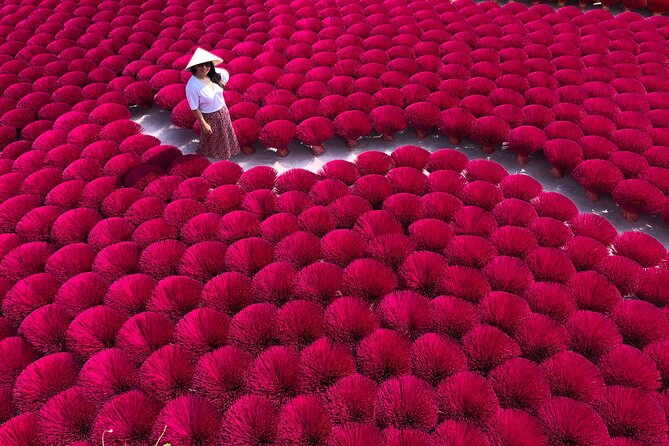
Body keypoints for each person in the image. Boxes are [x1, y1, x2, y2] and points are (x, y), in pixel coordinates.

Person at [184, 48, 242, 159]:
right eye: (201, 65)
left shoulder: (213, 74)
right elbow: (194, 107)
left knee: (226, 135)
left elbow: (225, 74)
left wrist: (222, 84)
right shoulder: (192, 86)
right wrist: (204, 123)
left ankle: (226, 155)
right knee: (212, 138)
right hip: (210, 116)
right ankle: (218, 157)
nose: (205, 67)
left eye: (207, 64)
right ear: (195, 66)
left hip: (223, 111)